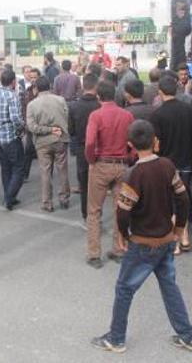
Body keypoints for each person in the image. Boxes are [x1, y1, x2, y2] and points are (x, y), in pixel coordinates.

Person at [91, 120, 192, 354]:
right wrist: (179, 229)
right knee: (169, 286)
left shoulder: (134, 175)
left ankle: (116, 338)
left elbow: (123, 210)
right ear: (155, 141)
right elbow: (182, 199)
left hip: (142, 243)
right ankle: (188, 336)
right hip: (165, 240)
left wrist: (122, 235)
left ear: (130, 145)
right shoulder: (168, 166)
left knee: (124, 289)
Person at [84, 81, 135, 268]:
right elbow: (133, 141)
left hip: (102, 163)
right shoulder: (127, 115)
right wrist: (130, 157)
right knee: (119, 209)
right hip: (121, 165)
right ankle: (118, 249)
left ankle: (94, 254)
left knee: (94, 210)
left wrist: (91, 160)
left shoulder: (96, 115)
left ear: (98, 96)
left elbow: (90, 143)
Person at [149, 73, 192, 254]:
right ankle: (185, 237)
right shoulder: (189, 110)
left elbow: (156, 144)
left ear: (160, 91)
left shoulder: (157, 114)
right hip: (186, 160)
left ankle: (175, 241)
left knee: (169, 202)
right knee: (183, 199)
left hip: (167, 162)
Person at [26, 76, 70, 212]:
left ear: (36, 88)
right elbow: (66, 116)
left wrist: (47, 130)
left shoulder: (32, 105)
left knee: (45, 172)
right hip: (60, 139)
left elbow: (32, 127)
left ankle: (47, 202)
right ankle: (64, 198)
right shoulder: (60, 100)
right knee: (62, 169)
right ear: (50, 86)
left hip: (42, 142)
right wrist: (54, 129)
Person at [0, 69, 25, 210]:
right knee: (18, 168)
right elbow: (15, 118)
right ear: (13, 82)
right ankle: (9, 197)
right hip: (10, 136)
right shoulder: (12, 96)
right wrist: (22, 126)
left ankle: (8, 196)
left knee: (6, 168)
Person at [69, 74, 101, 222]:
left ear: (83, 86)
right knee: (99, 185)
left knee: (84, 185)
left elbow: (71, 131)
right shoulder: (100, 106)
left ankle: (86, 215)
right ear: (96, 87)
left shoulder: (74, 106)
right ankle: (96, 215)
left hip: (83, 149)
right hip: (100, 149)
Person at [167, 0, 192, 70]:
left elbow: (179, 14)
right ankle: (179, 69)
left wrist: (173, 26)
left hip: (180, 26)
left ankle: (177, 70)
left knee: (177, 52)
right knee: (179, 50)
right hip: (186, 25)